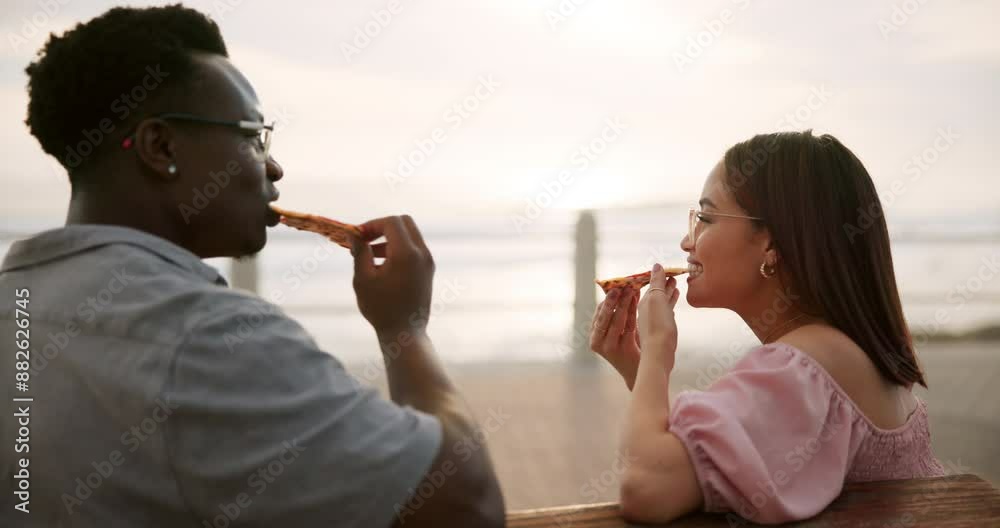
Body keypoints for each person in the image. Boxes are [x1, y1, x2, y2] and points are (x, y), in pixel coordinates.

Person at [0, 6, 504, 527]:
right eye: (250, 136)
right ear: (160, 146)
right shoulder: (206, 336)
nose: (272, 165)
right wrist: (405, 329)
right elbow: (466, 506)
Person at [589, 131, 946, 524]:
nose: (686, 242)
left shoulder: (803, 368)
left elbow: (646, 487)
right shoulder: (846, 356)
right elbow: (715, 455)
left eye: (705, 218)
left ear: (770, 244)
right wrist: (639, 371)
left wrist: (657, 349)